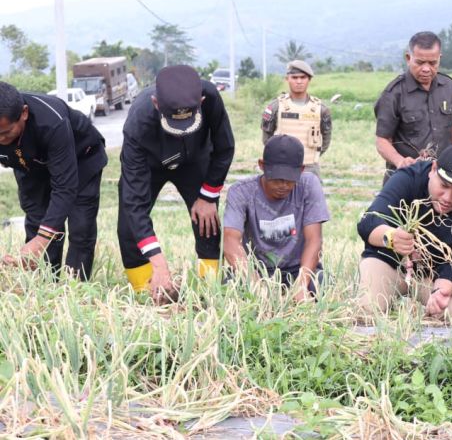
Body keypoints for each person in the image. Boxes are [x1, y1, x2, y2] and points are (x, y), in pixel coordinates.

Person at [117, 65, 235, 302]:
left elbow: (224, 148)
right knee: (128, 224)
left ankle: (210, 286)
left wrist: (208, 196)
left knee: (207, 221)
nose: (180, 132)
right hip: (149, 165)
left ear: (200, 101)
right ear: (156, 104)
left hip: (194, 162)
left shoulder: (211, 97)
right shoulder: (137, 123)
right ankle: (145, 290)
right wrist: (159, 263)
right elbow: (134, 203)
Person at [357, 145, 452, 321]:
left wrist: (443, 289)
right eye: (444, 185)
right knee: (367, 310)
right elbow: (368, 222)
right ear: (433, 169)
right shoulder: (408, 178)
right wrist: (391, 238)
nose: (447, 198)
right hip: (389, 263)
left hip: (431, 275)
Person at [0, 82, 107, 279]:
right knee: (38, 219)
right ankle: (47, 281)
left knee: (80, 226)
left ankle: (76, 287)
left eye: (5, 133)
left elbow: (65, 187)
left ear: (24, 113)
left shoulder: (51, 121)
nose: (0, 140)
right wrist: (39, 237)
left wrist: (42, 239)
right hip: (31, 166)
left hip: (80, 159)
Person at [222, 135, 330, 300]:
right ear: (262, 166)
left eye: (289, 180)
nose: (283, 186)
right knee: (228, 289)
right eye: (277, 179)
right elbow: (230, 242)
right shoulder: (241, 192)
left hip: (295, 269)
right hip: (257, 269)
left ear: (301, 170)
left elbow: (314, 240)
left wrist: (301, 284)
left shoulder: (309, 185)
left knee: (323, 283)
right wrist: (254, 283)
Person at [374, 31, 452, 183]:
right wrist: (400, 161)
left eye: (432, 63)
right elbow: (382, 140)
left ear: (439, 59)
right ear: (408, 58)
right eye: (420, 62)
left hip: (443, 179)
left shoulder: (449, 87)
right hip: (405, 179)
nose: (426, 69)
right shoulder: (393, 93)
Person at [261, 60, 332, 178]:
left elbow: (326, 139)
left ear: (309, 79)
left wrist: (311, 155)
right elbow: (266, 139)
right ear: (287, 79)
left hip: (310, 168)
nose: (299, 81)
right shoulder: (275, 107)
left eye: (303, 77)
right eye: (294, 77)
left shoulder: (321, 109)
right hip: (281, 167)